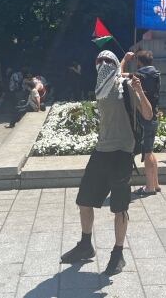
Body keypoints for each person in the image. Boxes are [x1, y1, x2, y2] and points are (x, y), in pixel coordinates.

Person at [60, 50, 153, 276]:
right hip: (101, 150)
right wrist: (122, 62)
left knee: (120, 206)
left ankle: (118, 253)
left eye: (107, 61)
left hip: (122, 151)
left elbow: (148, 115)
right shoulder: (101, 86)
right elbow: (113, 73)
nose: (103, 64)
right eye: (99, 60)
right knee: (84, 200)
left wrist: (139, 90)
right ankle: (85, 244)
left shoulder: (126, 86)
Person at [128, 50, 161, 197]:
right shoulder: (156, 73)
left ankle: (149, 187)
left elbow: (119, 75)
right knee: (150, 150)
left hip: (145, 116)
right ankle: (156, 183)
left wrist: (124, 61)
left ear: (139, 62)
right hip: (154, 114)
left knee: (147, 152)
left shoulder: (140, 75)